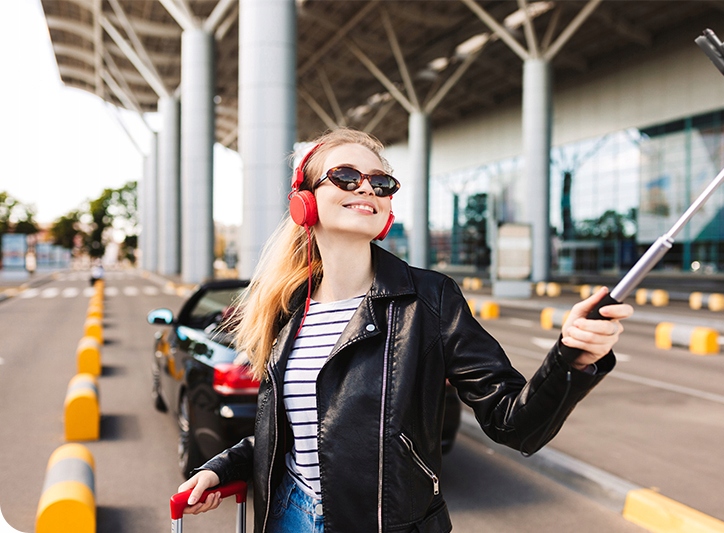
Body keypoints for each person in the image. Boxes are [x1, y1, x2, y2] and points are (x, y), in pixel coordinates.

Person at [177, 128, 633, 533]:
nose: (368, 188)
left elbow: (515, 423)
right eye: (346, 176)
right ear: (305, 201)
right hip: (288, 517)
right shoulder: (288, 308)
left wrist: (572, 357)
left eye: (382, 182)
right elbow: (297, 431)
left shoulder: (430, 300)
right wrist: (221, 467)